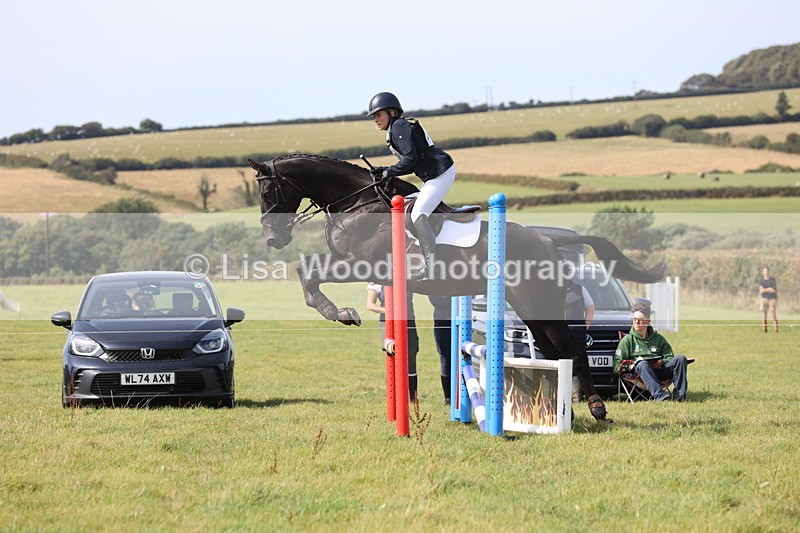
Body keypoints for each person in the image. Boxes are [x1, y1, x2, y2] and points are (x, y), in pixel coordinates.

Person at [366, 92, 456, 279]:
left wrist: (388, 172)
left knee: (418, 214)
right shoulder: (397, 128)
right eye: (374, 116)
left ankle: (432, 266)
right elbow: (412, 162)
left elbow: (409, 159)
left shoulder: (399, 126)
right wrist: (385, 169)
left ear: (391, 112)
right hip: (434, 174)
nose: (376, 120)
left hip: (440, 173)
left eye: (378, 115)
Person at [613, 302, 691, 402]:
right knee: (642, 364)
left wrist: (661, 362)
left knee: (680, 358)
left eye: (640, 320)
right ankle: (661, 397)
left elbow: (670, 357)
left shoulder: (658, 338)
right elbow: (616, 367)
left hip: (660, 370)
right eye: (635, 319)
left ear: (648, 321)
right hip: (640, 374)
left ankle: (680, 396)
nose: (637, 322)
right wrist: (631, 365)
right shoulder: (627, 340)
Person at [366, 282, 420, 401]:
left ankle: (413, 398)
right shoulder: (375, 282)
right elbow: (370, 305)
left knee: (411, 359)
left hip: (408, 321)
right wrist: (388, 310)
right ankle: (395, 397)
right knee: (393, 356)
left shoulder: (408, 277)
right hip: (388, 322)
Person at [565, 280, 595, 401]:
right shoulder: (553, 288)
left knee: (577, 364)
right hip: (559, 334)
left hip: (577, 334)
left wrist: (586, 323)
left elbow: (590, 307)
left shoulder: (580, 289)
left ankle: (576, 398)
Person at [428, 295, 453, 405]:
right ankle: (448, 398)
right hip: (442, 322)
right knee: (445, 358)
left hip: (462, 320)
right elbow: (436, 301)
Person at [758, 266, 778, 333]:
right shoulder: (761, 280)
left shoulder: (773, 280)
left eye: (767, 271)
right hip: (763, 299)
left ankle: (776, 330)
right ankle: (765, 330)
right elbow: (761, 291)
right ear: (763, 272)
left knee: (773, 314)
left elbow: (773, 290)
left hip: (772, 299)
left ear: (769, 272)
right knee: (764, 315)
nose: (766, 272)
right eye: (764, 271)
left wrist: (765, 289)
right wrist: (769, 289)